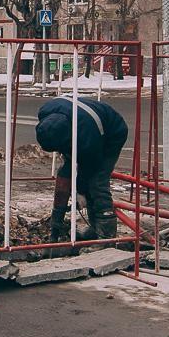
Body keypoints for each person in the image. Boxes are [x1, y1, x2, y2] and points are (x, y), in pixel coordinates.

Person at [34, 96, 130, 242]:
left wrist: (80, 191)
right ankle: (87, 228)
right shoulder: (46, 112)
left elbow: (91, 166)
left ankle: (106, 236)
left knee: (96, 182)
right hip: (80, 126)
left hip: (112, 133)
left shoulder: (88, 140)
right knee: (65, 173)